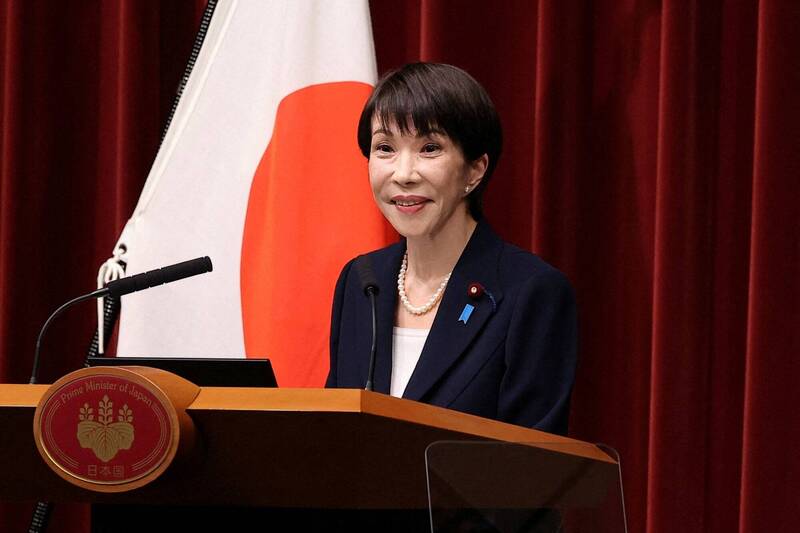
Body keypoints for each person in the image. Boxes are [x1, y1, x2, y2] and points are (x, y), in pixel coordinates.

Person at [327, 62, 577, 436]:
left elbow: (534, 460)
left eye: (429, 148)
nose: (403, 174)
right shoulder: (362, 281)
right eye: (385, 148)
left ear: (475, 170)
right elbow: (334, 432)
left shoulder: (531, 292)